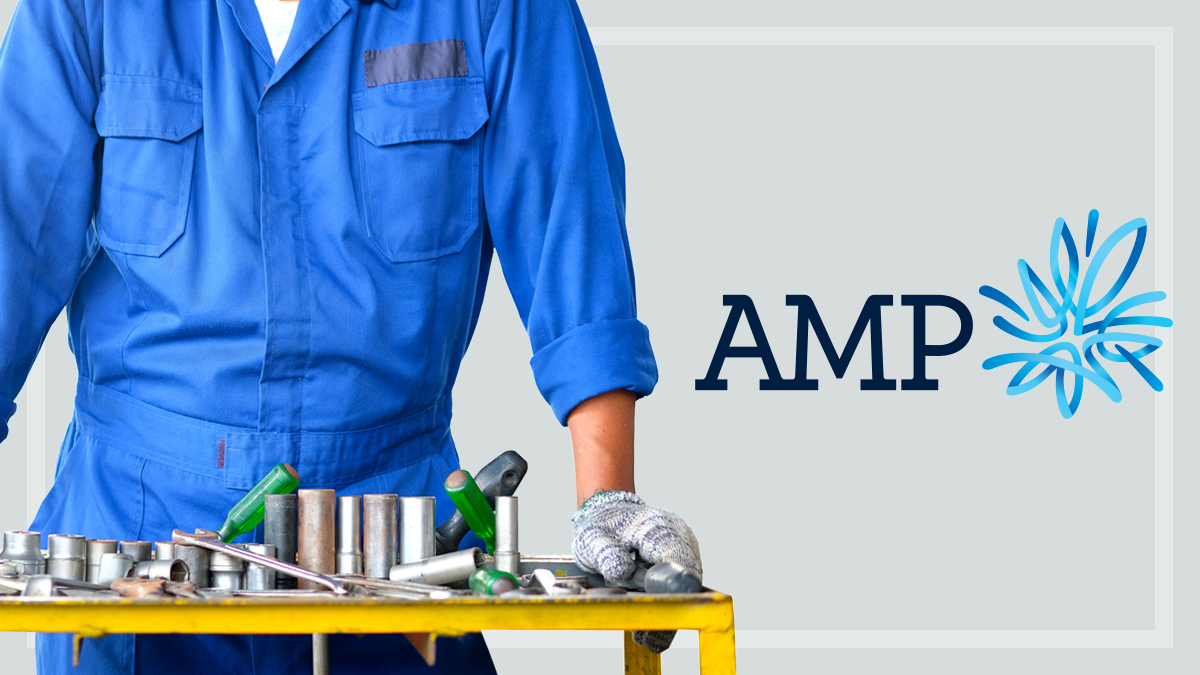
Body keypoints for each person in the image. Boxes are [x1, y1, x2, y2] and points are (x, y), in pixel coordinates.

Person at [0, 0, 702, 672]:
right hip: (136, 545)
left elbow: (570, 231)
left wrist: (607, 497)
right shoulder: (87, 6)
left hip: (399, 554)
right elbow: (10, 250)